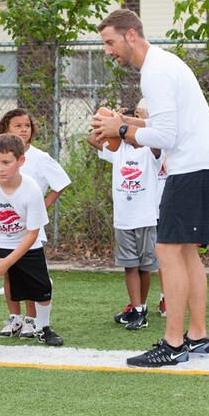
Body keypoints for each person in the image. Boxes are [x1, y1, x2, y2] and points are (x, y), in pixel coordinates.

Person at [92, 8, 209, 368]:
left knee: (167, 251)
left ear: (131, 35)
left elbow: (166, 136)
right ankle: (197, 337)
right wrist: (126, 120)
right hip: (206, 164)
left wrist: (121, 130)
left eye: (110, 42)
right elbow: (168, 123)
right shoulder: (163, 64)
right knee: (186, 253)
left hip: (192, 168)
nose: (108, 51)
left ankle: (173, 345)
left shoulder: (155, 72)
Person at [0, 133, 64, 357]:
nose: (0, 168)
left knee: (43, 288)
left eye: (6, 162)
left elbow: (32, 233)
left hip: (26, 241)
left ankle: (43, 328)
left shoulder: (32, 188)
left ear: (21, 161)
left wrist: (7, 262)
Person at [0, 109, 70, 339]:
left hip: (29, 230)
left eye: (27, 126)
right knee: (8, 272)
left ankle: (32, 319)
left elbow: (61, 182)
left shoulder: (40, 157)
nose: (24, 129)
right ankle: (14, 318)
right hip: (1, 229)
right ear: (6, 129)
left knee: (29, 274)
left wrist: (42, 205)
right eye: (18, 126)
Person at [87, 107, 163, 331]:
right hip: (123, 220)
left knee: (144, 267)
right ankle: (136, 309)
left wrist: (145, 120)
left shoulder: (150, 151)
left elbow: (157, 138)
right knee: (130, 266)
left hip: (146, 219)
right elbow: (92, 138)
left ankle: (142, 308)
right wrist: (111, 118)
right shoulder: (118, 150)